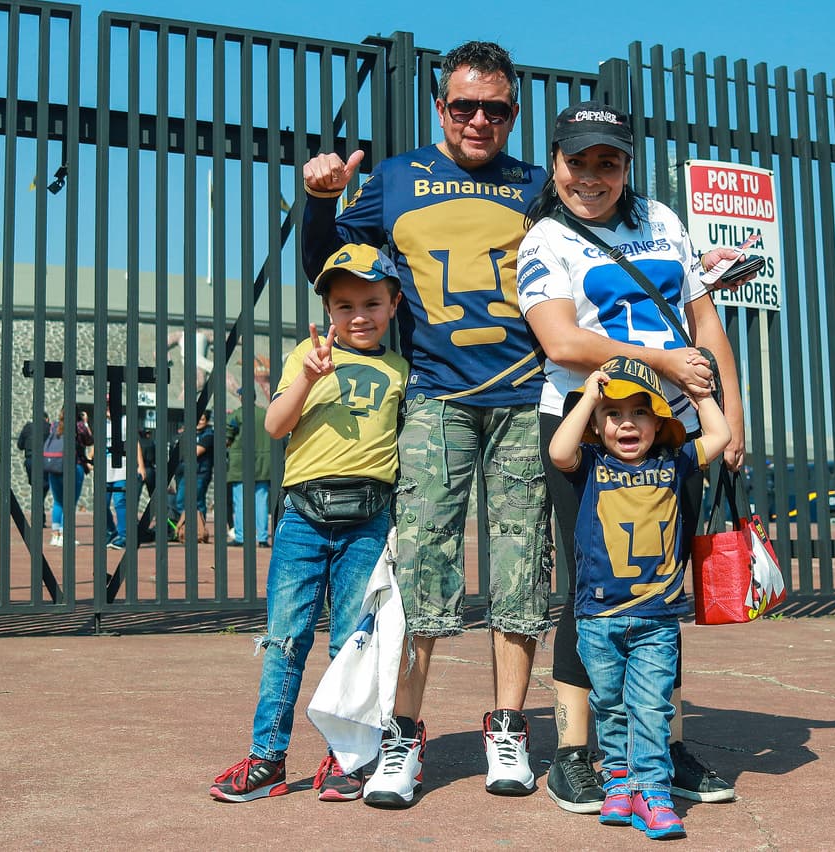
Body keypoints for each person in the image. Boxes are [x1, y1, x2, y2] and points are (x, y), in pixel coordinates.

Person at [301, 41, 552, 807]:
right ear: (441, 107)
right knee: (422, 569)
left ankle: (508, 727)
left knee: (521, 567)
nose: (479, 119)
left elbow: (597, 261)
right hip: (437, 397)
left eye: (495, 108)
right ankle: (402, 737)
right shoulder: (397, 178)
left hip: (524, 398)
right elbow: (327, 267)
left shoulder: (537, 185)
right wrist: (319, 201)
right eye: (464, 105)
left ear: (514, 114)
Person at [517, 101, 748, 810]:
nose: (590, 176)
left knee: (659, 590)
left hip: (672, 429)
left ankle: (661, 747)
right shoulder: (544, 239)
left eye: (607, 162)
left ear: (626, 167)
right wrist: (664, 362)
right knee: (594, 584)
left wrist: (733, 416)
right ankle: (574, 752)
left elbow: (704, 322)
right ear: (555, 162)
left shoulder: (663, 221)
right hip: (589, 431)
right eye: (577, 161)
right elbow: (561, 342)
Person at [209, 244, 407, 803]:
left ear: (393, 304)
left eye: (371, 303)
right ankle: (267, 758)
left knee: (352, 643)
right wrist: (308, 377)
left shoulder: (401, 371)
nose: (359, 316)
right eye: (344, 306)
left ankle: (349, 759)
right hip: (304, 518)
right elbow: (276, 425)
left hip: (368, 521)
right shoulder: (308, 354)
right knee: (285, 640)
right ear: (328, 310)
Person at [549, 356, 730, 839]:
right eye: (613, 414)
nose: (626, 423)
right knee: (610, 705)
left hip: (655, 618)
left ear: (659, 422)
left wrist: (700, 395)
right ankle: (619, 782)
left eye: (640, 412)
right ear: (596, 424)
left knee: (650, 707)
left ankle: (653, 791)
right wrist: (589, 395)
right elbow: (559, 451)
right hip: (597, 616)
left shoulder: (674, 462)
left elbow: (720, 436)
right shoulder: (590, 465)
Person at [224, 398, 272, 547]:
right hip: (263, 462)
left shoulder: (237, 415)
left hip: (241, 462)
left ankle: (241, 536)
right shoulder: (264, 413)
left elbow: (226, 436)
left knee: (240, 501)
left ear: (240, 397)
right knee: (262, 501)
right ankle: (262, 538)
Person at [45, 408, 95, 548]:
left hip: (55, 466)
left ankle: (55, 536)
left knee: (58, 502)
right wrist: (85, 423)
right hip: (74, 466)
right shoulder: (79, 426)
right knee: (70, 503)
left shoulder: (54, 425)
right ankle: (65, 535)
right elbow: (90, 441)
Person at [104, 399, 146, 550]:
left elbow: (135, 442)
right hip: (105, 468)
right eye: (106, 406)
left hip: (122, 468)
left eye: (110, 405)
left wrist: (141, 466)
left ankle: (124, 536)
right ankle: (111, 531)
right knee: (102, 503)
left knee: (120, 501)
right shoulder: (102, 423)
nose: (108, 408)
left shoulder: (125, 421)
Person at [174, 410, 215, 543]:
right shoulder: (187, 433)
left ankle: (199, 530)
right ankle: (185, 528)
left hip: (200, 473)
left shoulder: (208, 434)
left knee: (197, 501)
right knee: (180, 500)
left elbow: (195, 452)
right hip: (184, 472)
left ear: (207, 421)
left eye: (202, 419)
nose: (198, 422)